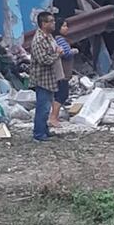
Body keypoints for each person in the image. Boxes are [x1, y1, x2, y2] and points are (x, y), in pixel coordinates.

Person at [30, 11, 64, 142]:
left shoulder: (49, 37)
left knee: (46, 107)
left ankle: (44, 130)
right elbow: (43, 60)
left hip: (50, 78)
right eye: (51, 21)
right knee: (42, 107)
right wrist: (57, 54)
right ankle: (39, 134)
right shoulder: (39, 40)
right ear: (44, 24)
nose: (54, 23)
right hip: (42, 79)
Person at [49, 19, 79, 128]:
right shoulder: (60, 39)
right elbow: (66, 53)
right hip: (62, 72)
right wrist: (75, 51)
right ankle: (53, 117)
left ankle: (54, 116)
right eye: (64, 26)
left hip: (61, 72)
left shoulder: (55, 39)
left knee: (59, 95)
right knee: (62, 95)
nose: (66, 28)